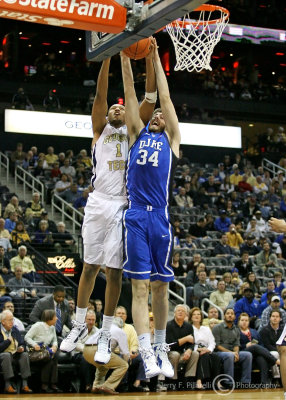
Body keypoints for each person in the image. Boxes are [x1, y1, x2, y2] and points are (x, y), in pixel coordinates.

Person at [60, 52, 156, 365]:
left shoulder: (133, 132)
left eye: (121, 107)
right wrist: (106, 58)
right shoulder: (99, 131)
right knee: (89, 266)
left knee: (114, 272)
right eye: (114, 107)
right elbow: (100, 95)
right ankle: (77, 325)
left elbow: (147, 102)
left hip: (122, 205)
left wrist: (146, 64)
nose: (116, 108)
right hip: (98, 201)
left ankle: (104, 334)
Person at [120, 40, 180, 379]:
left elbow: (166, 99)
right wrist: (124, 56)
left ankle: (161, 348)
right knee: (139, 287)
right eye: (153, 113)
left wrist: (156, 58)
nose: (157, 114)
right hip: (136, 215)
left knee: (161, 286)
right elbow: (130, 96)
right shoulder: (136, 135)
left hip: (160, 214)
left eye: (160, 115)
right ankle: (145, 352)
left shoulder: (171, 140)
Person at [83, 317, 130, 395]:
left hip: (86, 350)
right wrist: (127, 362)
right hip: (98, 350)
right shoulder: (120, 331)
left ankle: (96, 387)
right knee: (124, 365)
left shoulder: (104, 328)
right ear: (122, 326)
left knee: (103, 366)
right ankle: (108, 386)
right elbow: (125, 353)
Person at [212, 308, 253, 387]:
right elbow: (217, 345)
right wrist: (232, 353)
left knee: (248, 355)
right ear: (224, 316)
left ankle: (245, 382)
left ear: (234, 317)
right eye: (228, 313)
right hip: (219, 353)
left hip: (232, 352)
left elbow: (236, 345)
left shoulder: (236, 329)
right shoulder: (217, 327)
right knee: (229, 355)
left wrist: (236, 353)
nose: (230, 315)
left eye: (232, 314)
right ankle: (229, 382)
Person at [25, 309, 62, 393]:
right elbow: (27, 337)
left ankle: (52, 383)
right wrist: (34, 345)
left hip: (46, 350)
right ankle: (45, 384)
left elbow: (55, 340)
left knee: (54, 355)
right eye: (55, 317)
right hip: (36, 352)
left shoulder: (52, 327)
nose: (57, 319)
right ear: (49, 318)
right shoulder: (37, 326)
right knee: (49, 358)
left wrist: (54, 346)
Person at [238, 312, 279, 384]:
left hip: (256, 353)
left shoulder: (254, 331)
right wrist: (245, 345)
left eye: (246, 320)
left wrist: (257, 347)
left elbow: (261, 344)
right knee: (254, 346)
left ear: (249, 322)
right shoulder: (236, 331)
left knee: (261, 358)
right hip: (243, 351)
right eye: (242, 320)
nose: (244, 322)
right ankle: (274, 360)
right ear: (239, 321)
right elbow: (235, 345)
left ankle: (264, 382)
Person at [166, 305, 199, 387]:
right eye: (178, 310)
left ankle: (188, 380)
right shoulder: (168, 325)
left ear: (186, 315)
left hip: (182, 353)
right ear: (174, 313)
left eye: (182, 311)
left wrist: (189, 350)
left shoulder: (188, 326)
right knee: (175, 354)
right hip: (169, 354)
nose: (180, 312)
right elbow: (169, 345)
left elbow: (192, 342)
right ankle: (172, 381)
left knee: (195, 353)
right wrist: (185, 339)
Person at [0, 310, 32, 394]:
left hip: (15, 355)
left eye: (12, 319)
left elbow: (22, 343)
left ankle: (25, 384)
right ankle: (8, 385)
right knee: (6, 355)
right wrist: (7, 341)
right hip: (2, 356)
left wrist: (21, 348)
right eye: (10, 320)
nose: (12, 322)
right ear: (3, 322)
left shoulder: (14, 330)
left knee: (24, 354)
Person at [189, 307, 221, 389]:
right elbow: (189, 344)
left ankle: (217, 381)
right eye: (194, 314)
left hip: (206, 349)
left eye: (198, 314)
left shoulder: (206, 329)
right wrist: (198, 349)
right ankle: (199, 381)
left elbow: (212, 342)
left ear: (201, 317)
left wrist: (208, 349)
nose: (197, 316)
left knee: (216, 356)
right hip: (195, 349)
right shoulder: (189, 328)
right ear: (191, 317)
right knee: (204, 356)